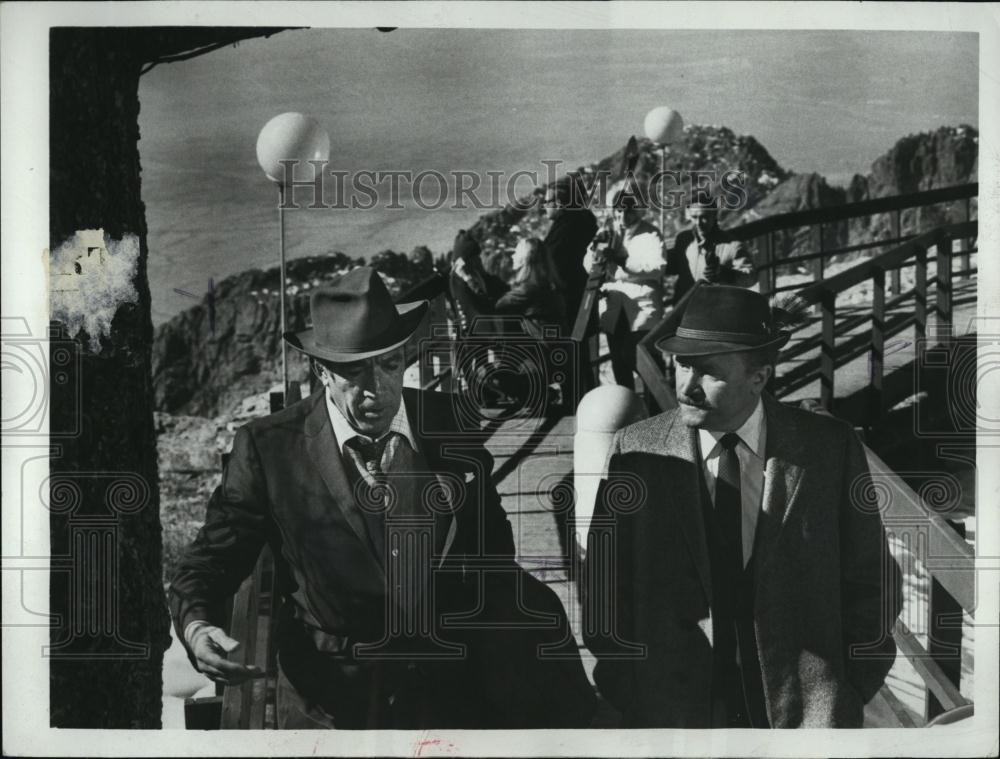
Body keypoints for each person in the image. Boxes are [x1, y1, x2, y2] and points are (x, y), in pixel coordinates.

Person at [170, 267, 595, 729]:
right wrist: (197, 626)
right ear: (321, 371)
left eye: (390, 364)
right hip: (335, 698)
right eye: (354, 371)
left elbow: (492, 545)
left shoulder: (450, 420)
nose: (377, 389)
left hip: (451, 684)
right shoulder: (269, 447)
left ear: (406, 355)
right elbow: (210, 560)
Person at [583, 283, 902, 728]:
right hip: (674, 715)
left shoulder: (829, 448)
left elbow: (872, 578)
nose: (686, 387)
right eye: (682, 366)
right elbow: (603, 583)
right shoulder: (636, 451)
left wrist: (847, 689)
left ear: (759, 377)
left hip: (802, 720)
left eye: (707, 372)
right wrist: (629, 688)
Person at [585, 188, 667, 389]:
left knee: (648, 364)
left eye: (627, 210)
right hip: (615, 306)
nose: (622, 216)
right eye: (618, 210)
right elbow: (588, 265)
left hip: (642, 306)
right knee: (619, 363)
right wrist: (596, 252)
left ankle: (657, 405)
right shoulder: (606, 233)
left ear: (636, 210)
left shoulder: (650, 234)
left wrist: (623, 261)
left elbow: (658, 267)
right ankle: (628, 404)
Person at [668, 188, 755, 304]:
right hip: (685, 308)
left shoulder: (733, 246)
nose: (698, 223)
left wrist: (724, 273)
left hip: (715, 309)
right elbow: (673, 265)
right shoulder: (683, 239)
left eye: (704, 217)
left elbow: (750, 278)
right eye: (694, 217)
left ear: (714, 215)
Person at [542, 176, 599, 333]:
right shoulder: (580, 221)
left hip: (569, 302)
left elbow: (554, 262)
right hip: (580, 297)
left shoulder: (566, 229)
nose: (544, 205)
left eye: (547, 201)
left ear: (559, 203)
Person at [494, 237, 566, 338]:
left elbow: (497, 305)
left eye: (516, 252)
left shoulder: (527, 291)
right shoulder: (548, 285)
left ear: (526, 258)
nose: (513, 256)